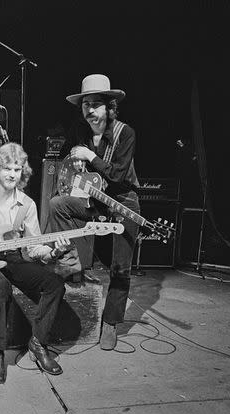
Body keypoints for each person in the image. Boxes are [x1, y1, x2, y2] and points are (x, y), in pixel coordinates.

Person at [0, 142, 70, 383]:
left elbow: (34, 246)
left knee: (55, 284)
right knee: (0, 286)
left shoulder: (26, 205)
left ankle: (38, 343)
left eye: (17, 170)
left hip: (13, 257)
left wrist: (54, 252)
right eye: (7, 168)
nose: (12, 174)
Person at [47, 74, 140, 351]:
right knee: (57, 204)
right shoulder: (81, 131)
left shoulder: (126, 133)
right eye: (86, 104)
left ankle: (110, 323)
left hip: (123, 201)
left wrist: (90, 157)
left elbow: (118, 174)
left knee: (120, 267)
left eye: (96, 104)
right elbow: (71, 166)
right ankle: (72, 263)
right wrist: (74, 172)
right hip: (95, 200)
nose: (90, 110)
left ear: (110, 107)